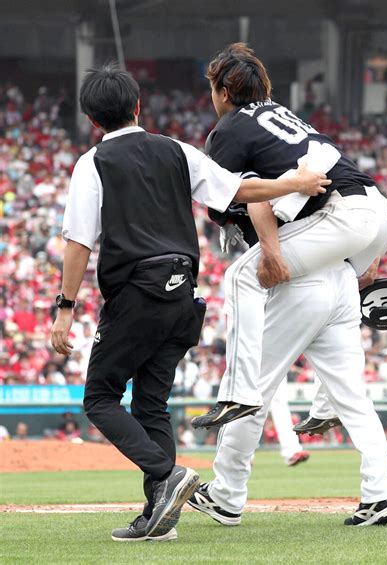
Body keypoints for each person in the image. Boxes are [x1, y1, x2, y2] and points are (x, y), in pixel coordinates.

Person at [49, 64, 328, 542]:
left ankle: (168, 473)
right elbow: (238, 189)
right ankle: (159, 516)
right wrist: (292, 185)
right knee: (151, 404)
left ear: (93, 120)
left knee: (99, 396)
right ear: (138, 106)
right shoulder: (177, 150)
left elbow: (79, 242)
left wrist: (65, 307)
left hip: (136, 292)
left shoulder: (91, 163)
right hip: (183, 293)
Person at [188, 43, 387, 527]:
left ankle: (226, 494)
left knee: (252, 384)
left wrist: (269, 250)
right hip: (351, 242)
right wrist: (363, 262)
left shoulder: (231, 128)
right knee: (353, 394)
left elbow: (241, 200)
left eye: (213, 90)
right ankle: (382, 492)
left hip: (310, 262)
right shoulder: (287, 118)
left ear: (224, 91)